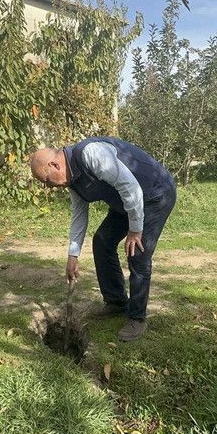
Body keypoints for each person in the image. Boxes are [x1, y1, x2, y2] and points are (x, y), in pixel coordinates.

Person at [29, 136, 176, 341]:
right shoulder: (72, 180)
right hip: (126, 201)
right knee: (102, 241)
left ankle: (137, 317)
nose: (49, 186)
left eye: (46, 180)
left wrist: (135, 231)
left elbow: (130, 187)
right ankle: (116, 301)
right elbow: (79, 215)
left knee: (137, 251)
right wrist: (73, 255)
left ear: (54, 165)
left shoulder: (92, 154)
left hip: (155, 193)